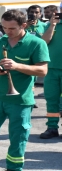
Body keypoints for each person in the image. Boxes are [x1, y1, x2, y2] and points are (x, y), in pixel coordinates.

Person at [0, 9, 50, 171]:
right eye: (4, 27)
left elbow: (43, 71)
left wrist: (16, 66)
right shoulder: (1, 42)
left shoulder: (36, 43)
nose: (7, 31)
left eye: (12, 28)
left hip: (20, 101)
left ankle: (14, 168)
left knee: (18, 138)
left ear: (24, 25)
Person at [40, 10, 62, 139]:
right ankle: (52, 127)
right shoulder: (51, 24)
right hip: (52, 68)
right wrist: (52, 25)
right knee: (51, 99)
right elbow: (44, 42)